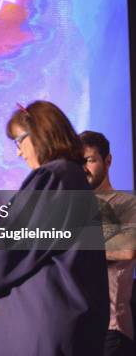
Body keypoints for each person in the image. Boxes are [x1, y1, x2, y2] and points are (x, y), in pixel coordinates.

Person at [0, 101, 109, 355]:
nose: (19, 153)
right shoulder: (71, 178)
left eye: (19, 142)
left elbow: (6, 251)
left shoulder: (54, 179)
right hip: (66, 323)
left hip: (41, 327)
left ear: (40, 134)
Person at [81, 130, 136, 356]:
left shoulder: (127, 203)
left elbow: (126, 250)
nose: (83, 167)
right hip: (75, 328)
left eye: (90, 160)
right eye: (79, 162)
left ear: (108, 160)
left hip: (112, 330)